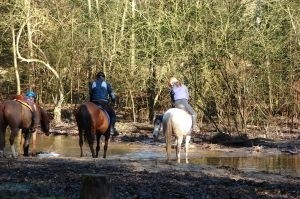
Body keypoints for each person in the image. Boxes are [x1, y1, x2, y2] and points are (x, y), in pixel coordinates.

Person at [89, 71, 118, 136]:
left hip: (94, 102)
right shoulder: (106, 83)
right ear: (103, 77)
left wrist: (91, 103)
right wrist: (114, 101)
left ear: (97, 77)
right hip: (103, 102)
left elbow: (90, 94)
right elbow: (112, 94)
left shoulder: (92, 83)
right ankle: (111, 129)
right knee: (113, 115)